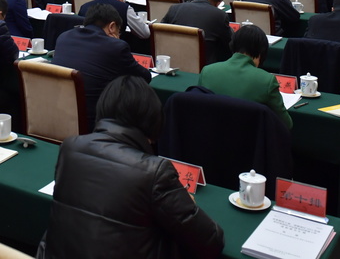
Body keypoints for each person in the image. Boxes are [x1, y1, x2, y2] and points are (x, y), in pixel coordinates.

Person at [44, 76, 224, 259]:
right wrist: (188, 204)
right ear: (153, 119)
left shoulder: (70, 147)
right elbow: (210, 241)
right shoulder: (155, 172)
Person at [51, 4, 151, 131]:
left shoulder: (64, 37)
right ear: (112, 27)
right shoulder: (116, 47)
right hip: (95, 122)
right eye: (119, 31)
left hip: (58, 113)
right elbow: (145, 77)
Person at [198, 25, 292, 129]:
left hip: (212, 134)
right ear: (261, 54)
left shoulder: (207, 71)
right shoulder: (267, 81)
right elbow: (286, 124)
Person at [160, 0, 233, 64]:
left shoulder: (174, 8)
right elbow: (228, 45)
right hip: (204, 65)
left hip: (171, 61)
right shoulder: (220, 15)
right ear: (219, 3)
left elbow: (161, 34)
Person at [78, 0, 150, 40]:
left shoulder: (84, 6)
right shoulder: (125, 8)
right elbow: (144, 33)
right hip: (113, 48)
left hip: (85, 45)